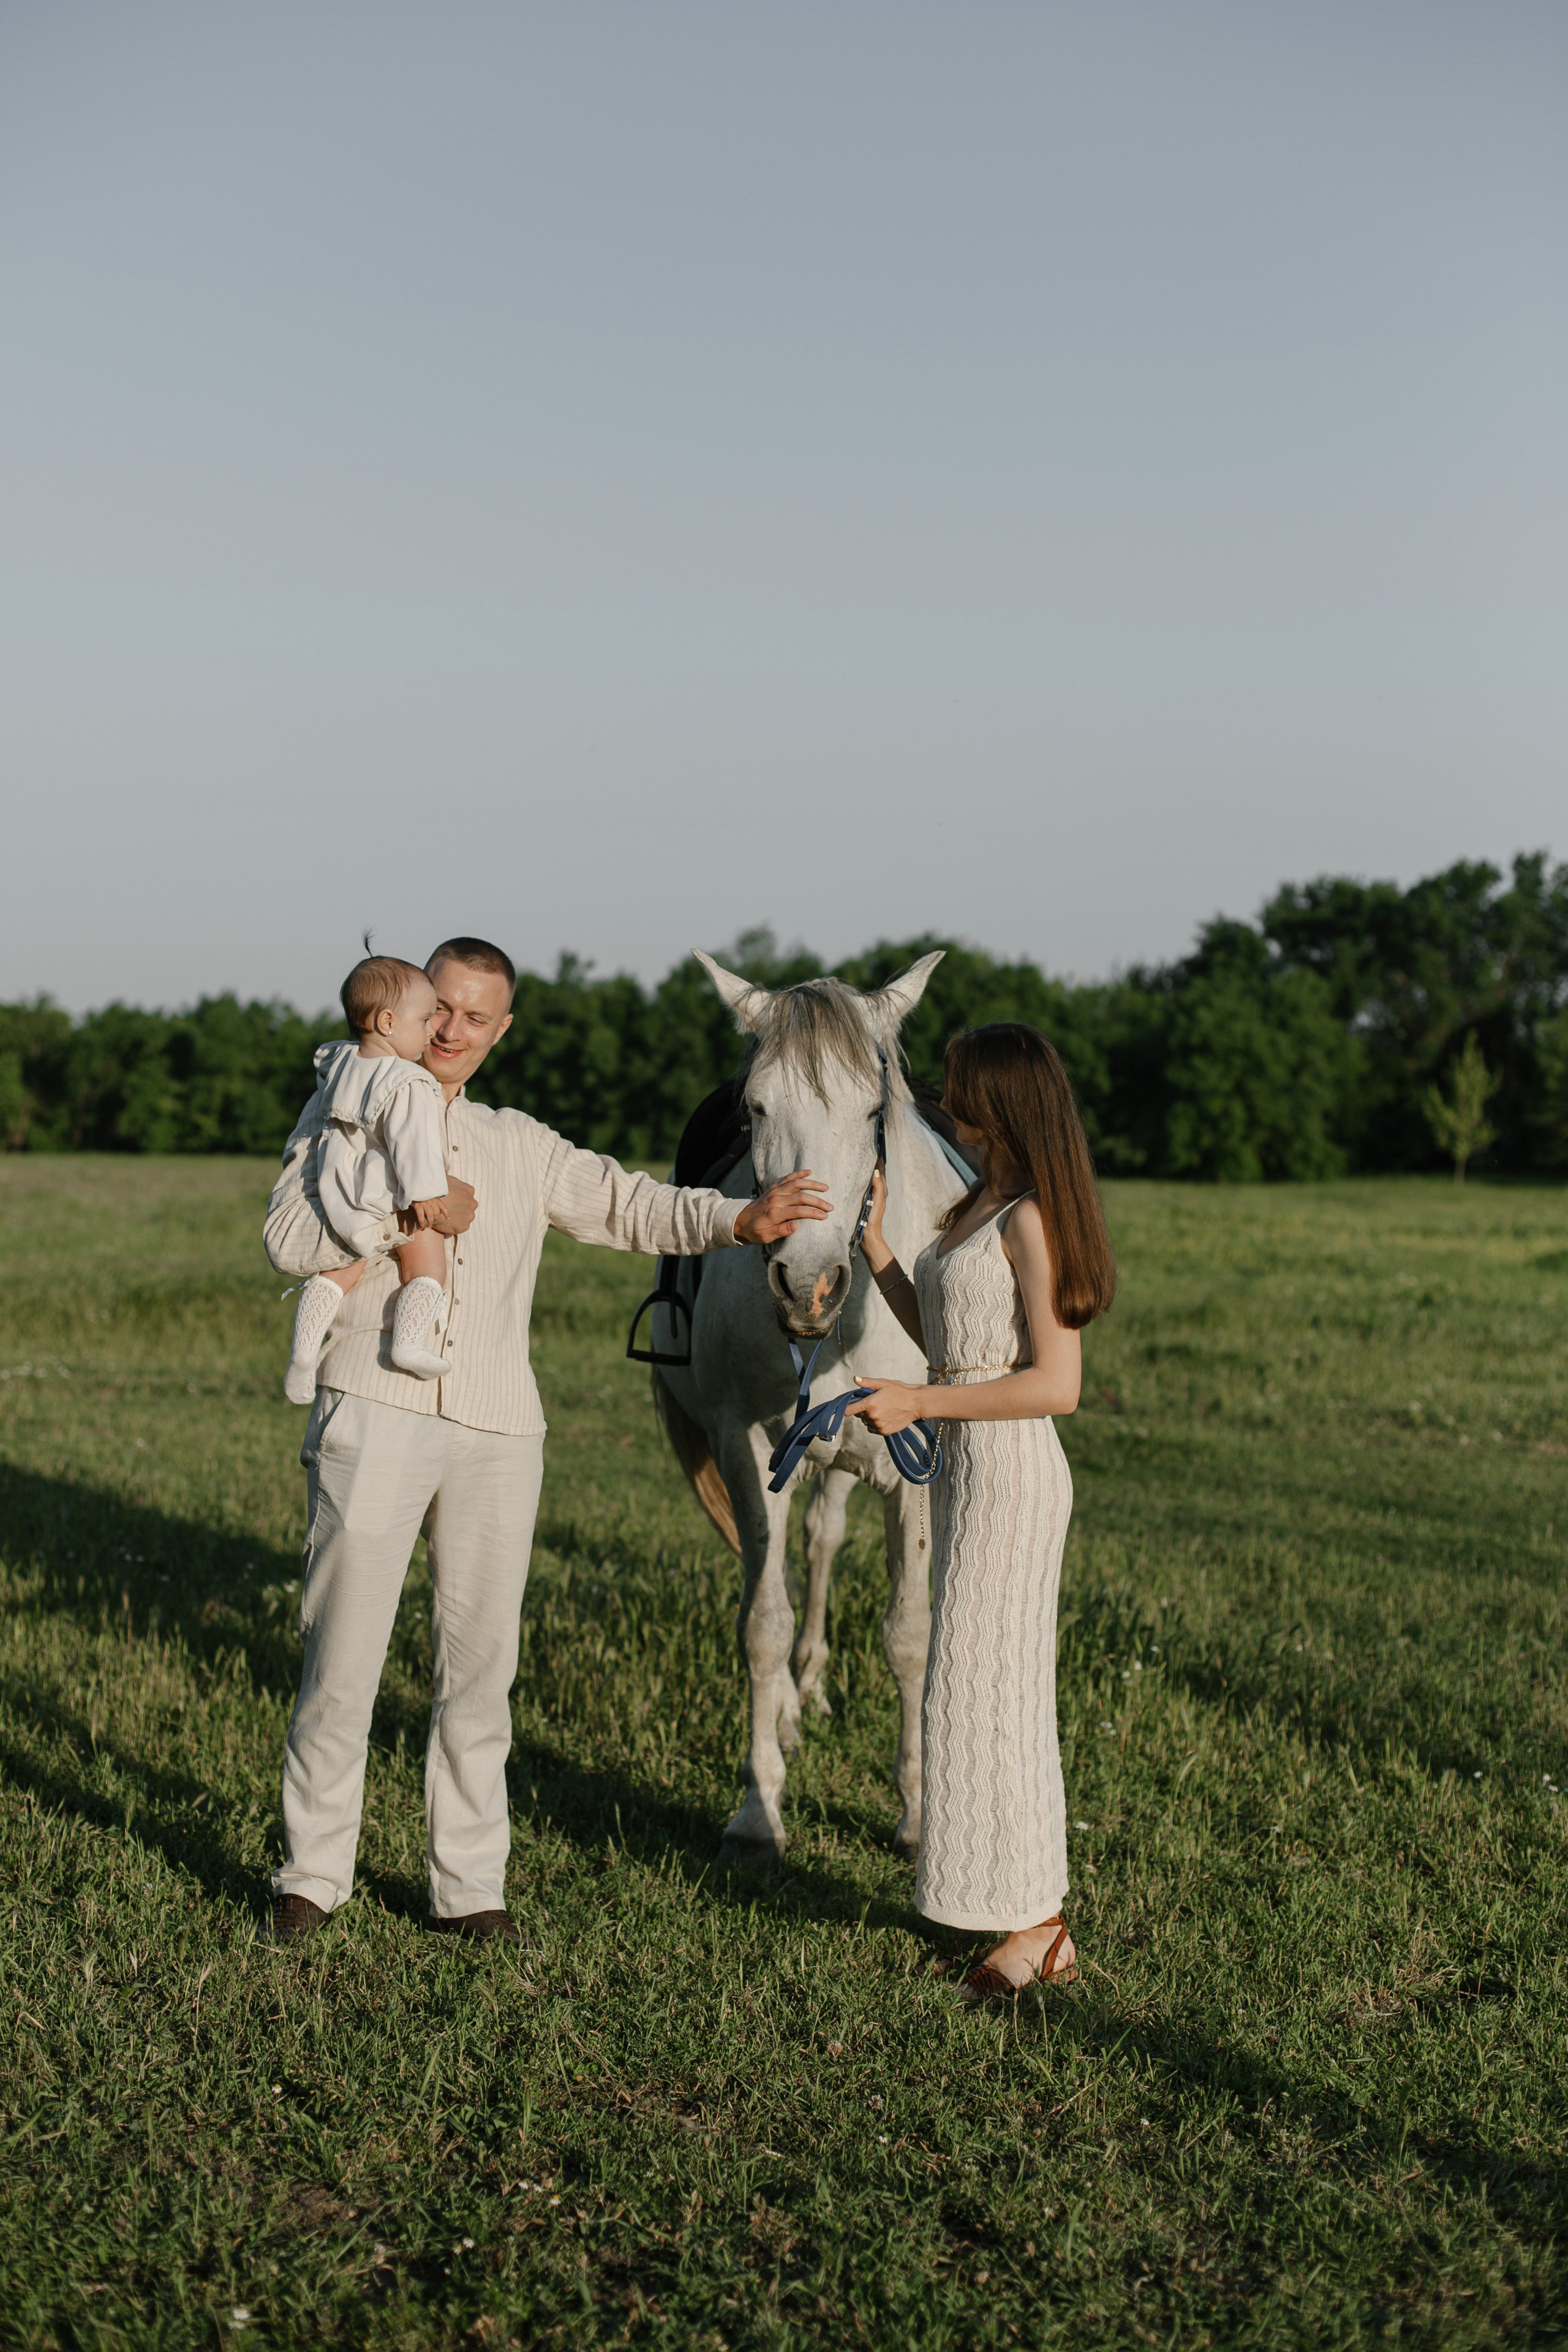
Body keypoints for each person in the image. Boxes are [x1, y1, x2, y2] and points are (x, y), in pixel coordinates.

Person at [262, 935, 829, 1947]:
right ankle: (311, 1876)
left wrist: (745, 1218)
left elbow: (632, 1204)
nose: (453, 1032)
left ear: (501, 1029)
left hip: (499, 1431)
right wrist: (410, 1213)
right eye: (441, 1009)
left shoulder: (521, 1141)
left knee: (479, 1672)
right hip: (373, 1408)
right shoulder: (346, 1102)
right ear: (417, 1005)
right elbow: (288, 1242)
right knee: (342, 1656)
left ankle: (468, 1891)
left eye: (478, 1018)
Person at [847, 1022, 1116, 2003]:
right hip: (966, 1463)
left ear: (997, 1099)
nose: (941, 1097)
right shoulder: (980, 1202)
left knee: (992, 1688)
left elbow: (1056, 1384)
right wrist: (878, 1249)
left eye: (957, 1085)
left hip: (1012, 1471)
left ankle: (1039, 1925)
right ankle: (1022, 1911)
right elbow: (951, 1337)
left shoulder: (1033, 1218)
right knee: (977, 1686)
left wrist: (920, 1404)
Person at [282, 953, 456, 1404]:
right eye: (424, 1019)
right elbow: (412, 1143)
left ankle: (303, 1352)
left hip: (338, 1192)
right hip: (385, 1197)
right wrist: (426, 1196)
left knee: (337, 1274)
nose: (432, 1030)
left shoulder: (338, 1064)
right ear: (386, 1021)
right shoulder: (409, 1080)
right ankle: (409, 1342)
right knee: (429, 1266)